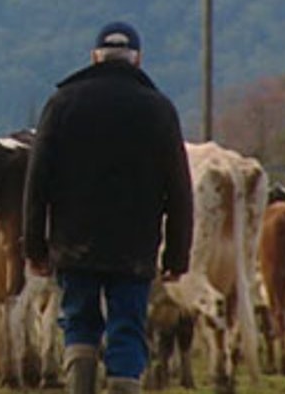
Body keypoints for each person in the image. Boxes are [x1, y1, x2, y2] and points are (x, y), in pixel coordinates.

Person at [23, 21, 193, 394]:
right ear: (138, 59)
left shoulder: (62, 103)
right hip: (134, 248)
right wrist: (178, 256)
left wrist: (35, 247)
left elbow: (37, 183)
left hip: (74, 243)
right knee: (128, 326)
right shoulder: (159, 109)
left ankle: (78, 385)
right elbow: (180, 190)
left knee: (80, 322)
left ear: (95, 57)